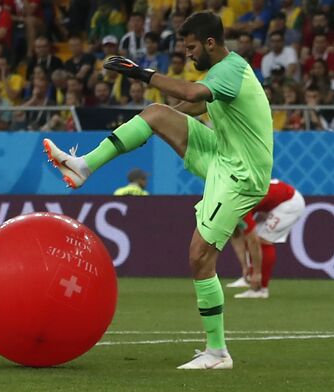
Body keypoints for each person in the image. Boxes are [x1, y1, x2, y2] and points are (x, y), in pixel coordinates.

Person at [43, 11, 273, 369]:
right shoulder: (223, 74)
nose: (189, 54)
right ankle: (83, 165)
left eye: (192, 47)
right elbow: (196, 103)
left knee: (199, 256)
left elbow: (194, 91)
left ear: (210, 43)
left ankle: (217, 352)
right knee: (155, 112)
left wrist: (143, 74)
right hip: (222, 154)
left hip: (242, 174)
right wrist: (165, 121)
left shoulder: (230, 70)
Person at [228, 179, 305, 298]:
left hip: (290, 203)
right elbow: (236, 234)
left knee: (261, 239)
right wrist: (244, 266)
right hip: (274, 201)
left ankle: (260, 289)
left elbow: (253, 241)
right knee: (250, 235)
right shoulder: (230, 200)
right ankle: (248, 278)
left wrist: (257, 273)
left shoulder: (239, 204)